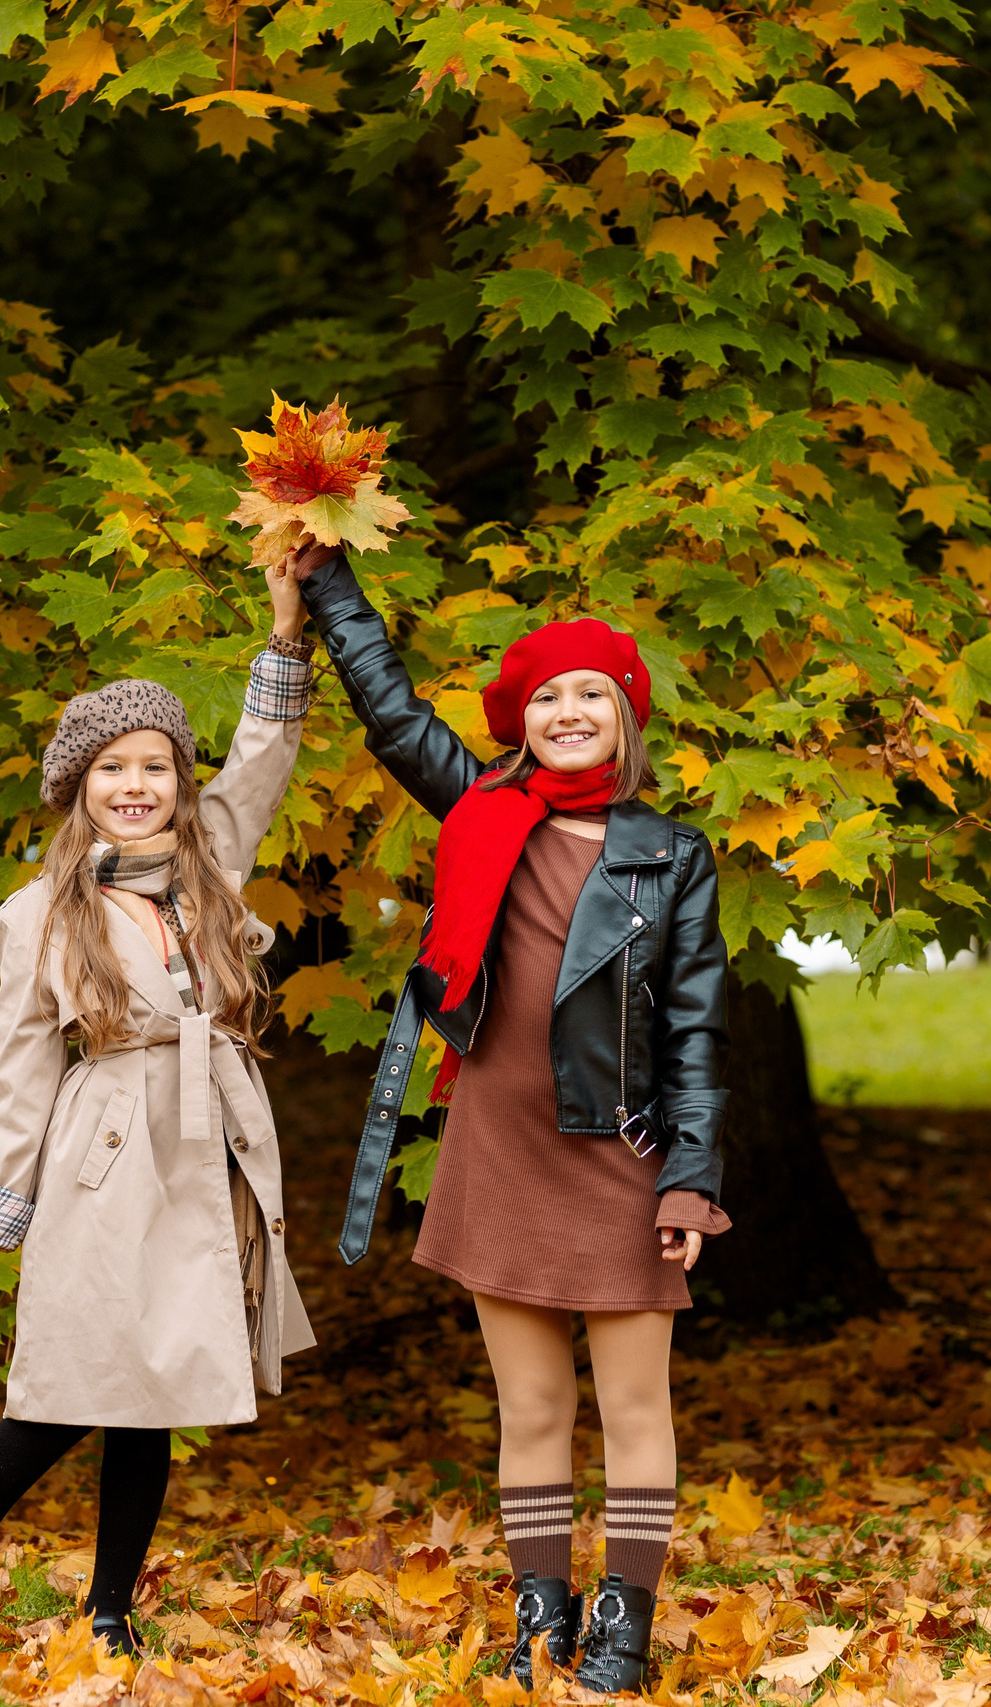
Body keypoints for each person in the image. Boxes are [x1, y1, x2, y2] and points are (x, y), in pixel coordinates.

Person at [289, 542, 730, 1694]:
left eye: (594, 691)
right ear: (517, 723)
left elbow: (694, 1027)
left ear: (627, 719)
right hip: (498, 1145)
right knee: (529, 1405)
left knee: (634, 1404)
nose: (570, 708)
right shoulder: (484, 809)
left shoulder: (673, 857)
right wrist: (329, 585)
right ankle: (542, 1619)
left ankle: (622, 1631)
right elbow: (390, 716)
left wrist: (693, 1173)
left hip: (622, 1158)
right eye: (545, 695)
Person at [0, 560, 319, 1650]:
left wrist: (285, 637)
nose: (136, 785)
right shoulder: (38, 911)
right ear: (77, 787)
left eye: (155, 767)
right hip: (103, 1142)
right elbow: (20, 1060)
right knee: (83, 1366)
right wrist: (2, 1195)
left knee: (160, 1375)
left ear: (179, 779)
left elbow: (263, 761)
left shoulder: (210, 861)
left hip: (203, 1135)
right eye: (112, 769)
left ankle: (110, 1609)